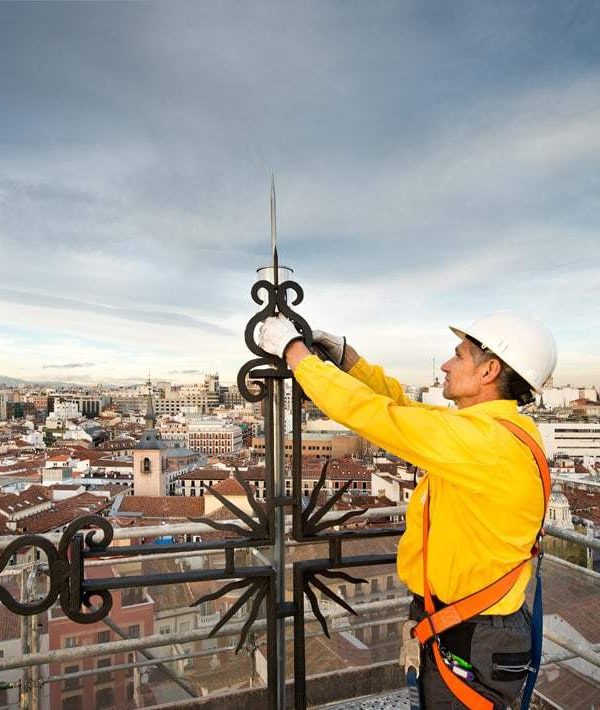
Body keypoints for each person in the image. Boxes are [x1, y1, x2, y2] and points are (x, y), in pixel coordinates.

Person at [258, 311, 556, 709]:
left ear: (489, 370)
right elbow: (400, 406)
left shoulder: (482, 441)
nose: (446, 365)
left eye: (459, 355)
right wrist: (350, 361)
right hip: (474, 626)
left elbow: (373, 414)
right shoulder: (492, 432)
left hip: (473, 631)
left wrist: (294, 352)